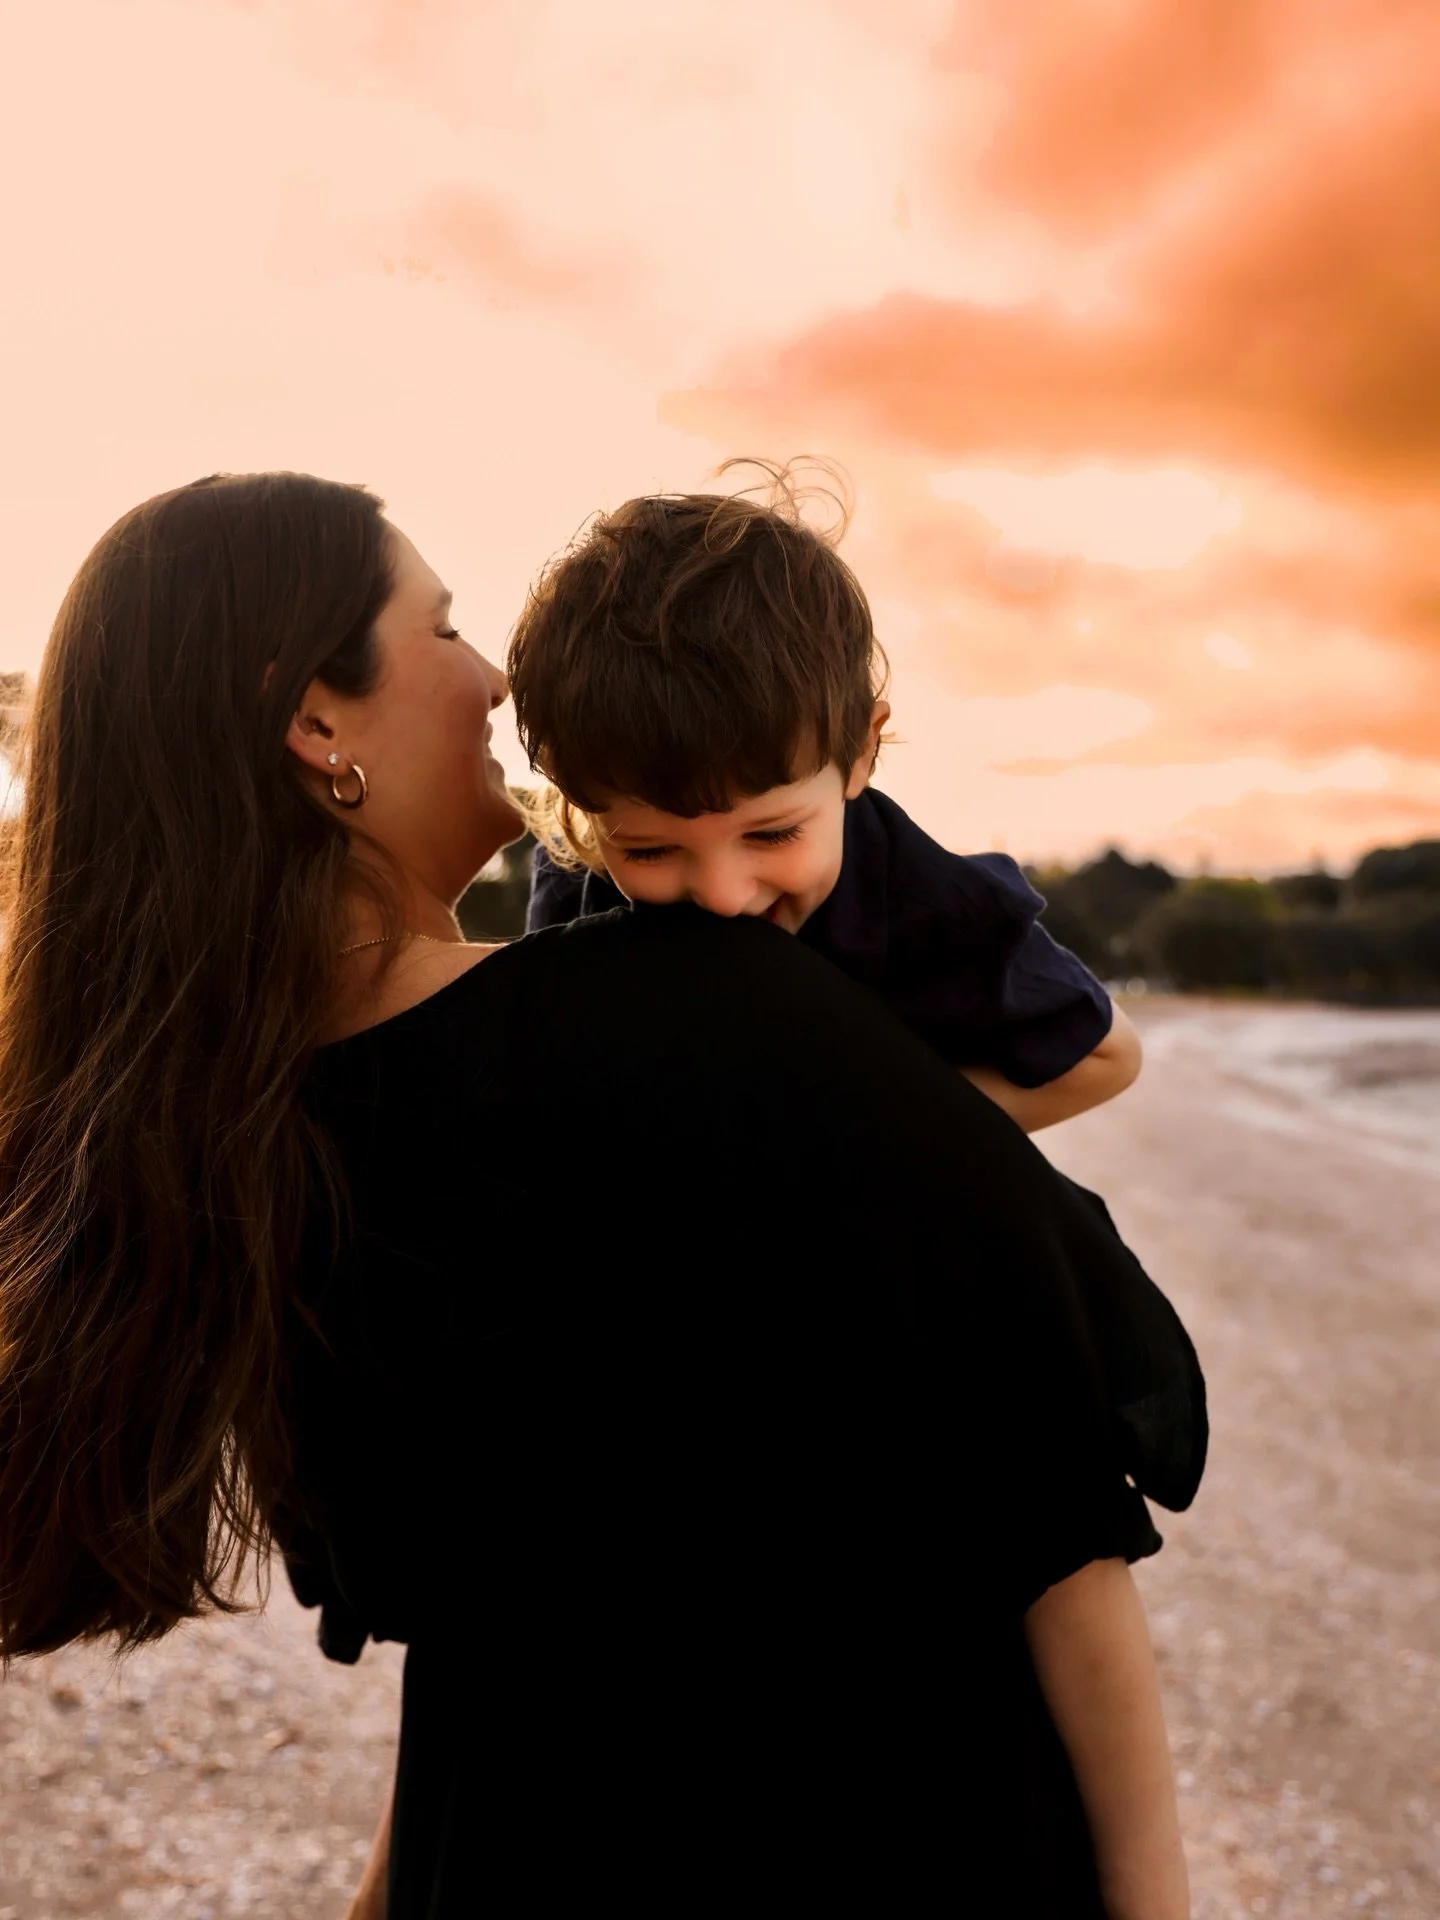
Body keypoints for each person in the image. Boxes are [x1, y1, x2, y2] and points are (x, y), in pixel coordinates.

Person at [0, 472, 1193, 1919]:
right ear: (315, 721)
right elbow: (1053, 1494)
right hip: (877, 1845)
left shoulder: (219, 1154)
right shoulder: (715, 1015)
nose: (492, 672)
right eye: (440, 626)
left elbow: (493, 1619)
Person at [517, 464, 1140, 1137]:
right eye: (653, 848)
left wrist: (866, 1140)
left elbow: (1108, 1057)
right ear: (578, 808)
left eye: (772, 835)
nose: (725, 896)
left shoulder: (929, 908)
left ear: (861, 753)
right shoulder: (579, 880)